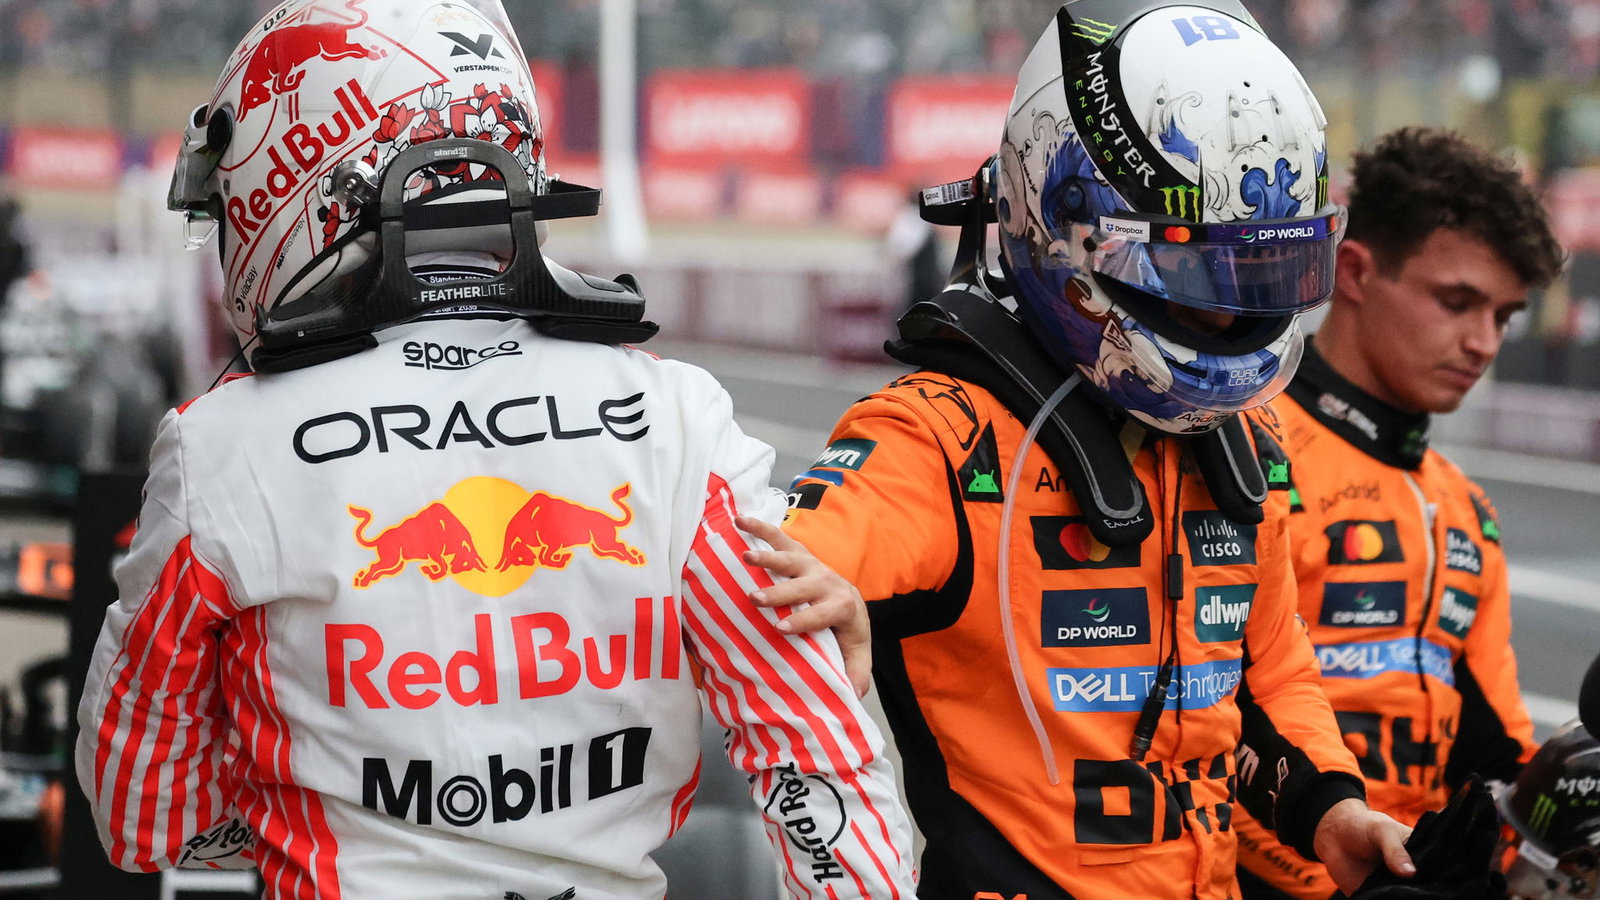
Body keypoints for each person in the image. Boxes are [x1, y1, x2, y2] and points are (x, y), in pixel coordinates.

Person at [73, 2, 917, 898]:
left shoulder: (218, 446)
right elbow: (815, 752)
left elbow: (142, 815)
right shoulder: (679, 417)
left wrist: (297, 808)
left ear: (300, 175)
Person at [777, 2, 1414, 898]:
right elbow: (771, 575)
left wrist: (1334, 812)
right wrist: (816, 590)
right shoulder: (937, 435)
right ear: (1065, 229)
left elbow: (1270, 673)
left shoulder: (1247, 440)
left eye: (1263, 273)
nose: (1233, 316)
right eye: (1199, 273)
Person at [1234, 126, 1562, 899]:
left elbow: (1497, 754)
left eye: (1504, 316)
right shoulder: (1239, 445)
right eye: (1457, 302)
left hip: (1411, 878)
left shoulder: (1466, 508)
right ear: (1354, 271)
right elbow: (1202, 705)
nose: (1483, 342)